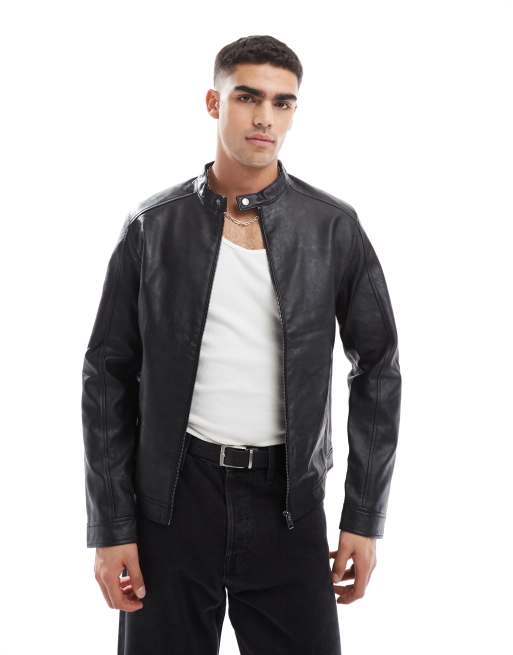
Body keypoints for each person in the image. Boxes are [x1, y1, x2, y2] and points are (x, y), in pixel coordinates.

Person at [82, 34, 402, 655]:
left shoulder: (332, 227)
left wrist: (363, 517)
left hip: (288, 503)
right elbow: (106, 376)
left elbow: (379, 369)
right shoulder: (153, 227)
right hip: (174, 500)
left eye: (283, 103)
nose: (265, 118)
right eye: (248, 97)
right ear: (214, 102)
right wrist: (112, 525)